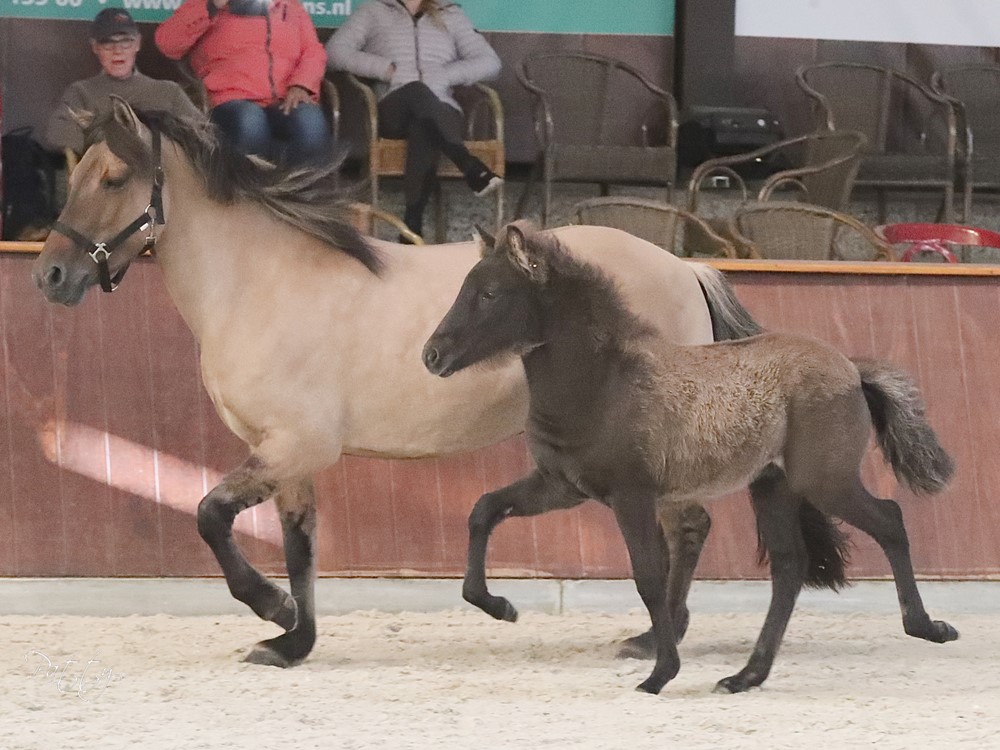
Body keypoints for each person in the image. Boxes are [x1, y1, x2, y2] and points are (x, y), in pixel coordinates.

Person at [327, 0, 503, 240]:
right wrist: (385, 69)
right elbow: (334, 52)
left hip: (441, 107)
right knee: (416, 90)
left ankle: (412, 227)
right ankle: (468, 164)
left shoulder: (449, 13)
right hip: (395, 105)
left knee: (424, 127)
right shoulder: (373, 10)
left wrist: (446, 74)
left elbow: (490, 63)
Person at [155, 0, 330, 166]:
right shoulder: (208, 4)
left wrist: (301, 84)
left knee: (310, 121)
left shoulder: (290, 6)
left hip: (284, 99)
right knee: (251, 121)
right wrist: (211, 5)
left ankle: (304, 194)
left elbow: (314, 52)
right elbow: (167, 43)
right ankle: (249, 195)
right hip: (229, 100)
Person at [44, 8, 203, 154]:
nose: (117, 50)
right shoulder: (81, 92)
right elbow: (57, 132)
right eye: (108, 43)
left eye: (125, 41)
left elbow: (203, 134)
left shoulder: (169, 91)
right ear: (95, 47)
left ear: (137, 43)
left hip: (162, 179)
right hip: (106, 177)